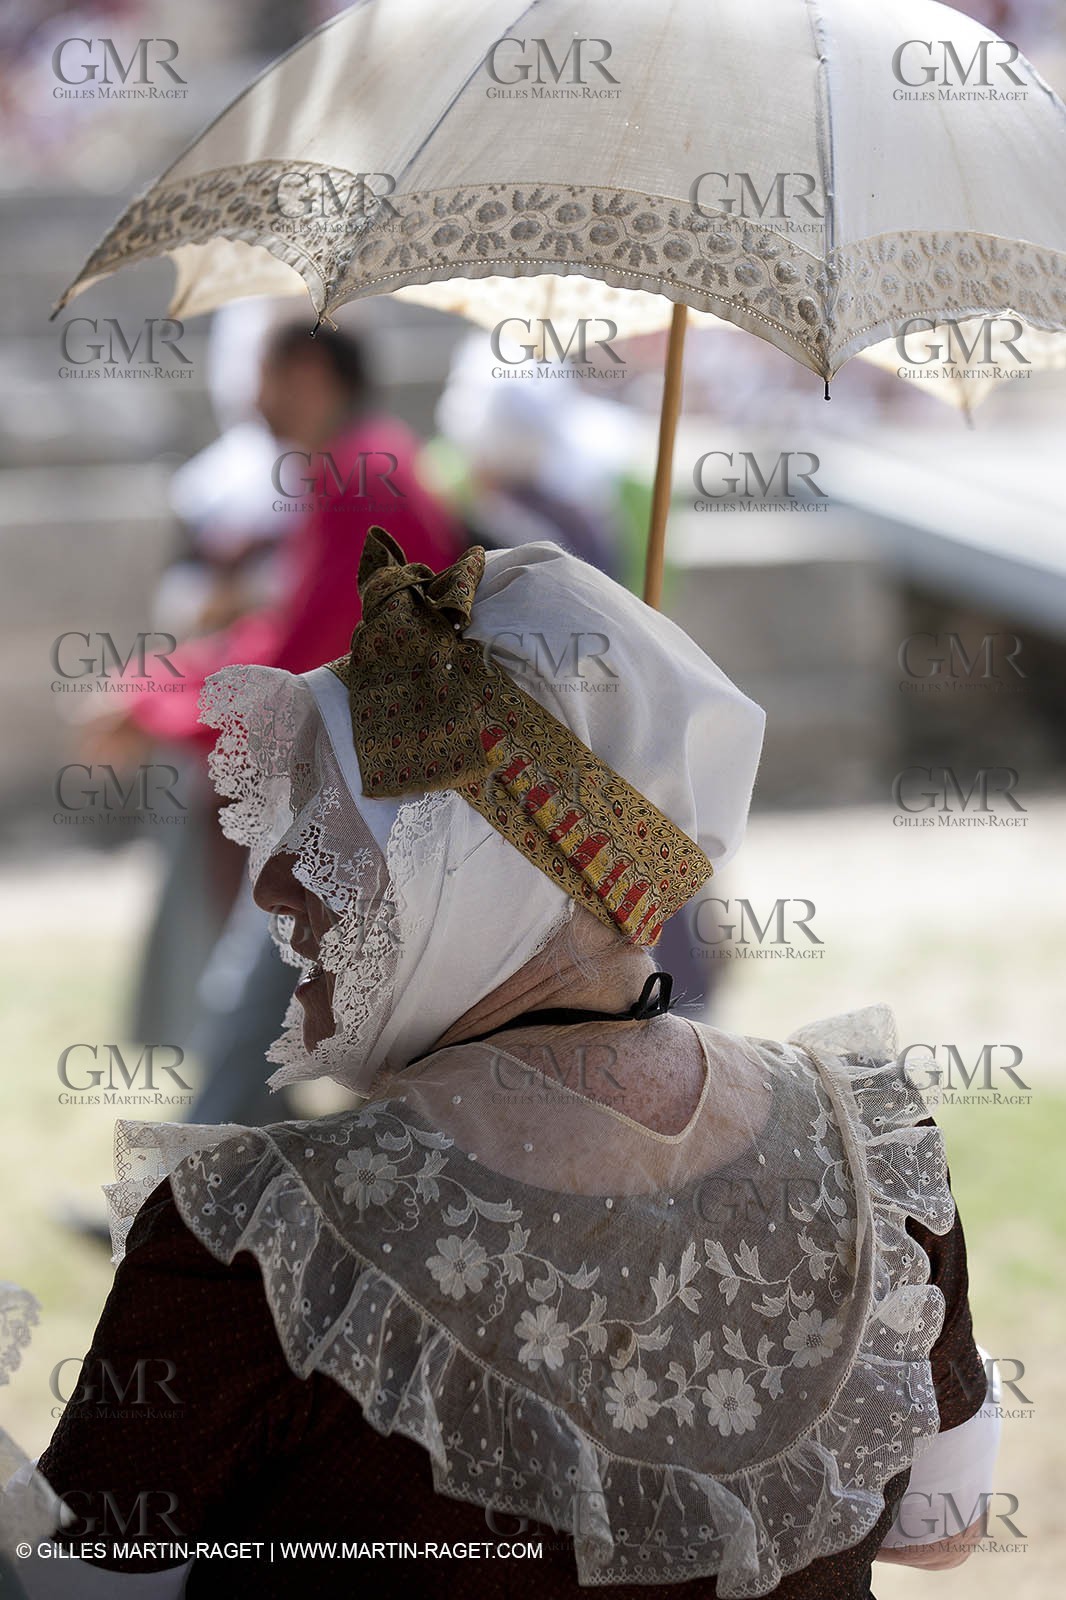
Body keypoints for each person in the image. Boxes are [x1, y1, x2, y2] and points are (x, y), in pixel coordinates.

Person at [19, 533, 996, 1598]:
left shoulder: (260, 1235)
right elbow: (938, 1520)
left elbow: (76, 1591)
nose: (277, 886)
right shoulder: (868, 1152)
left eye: (332, 833)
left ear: (476, 870)